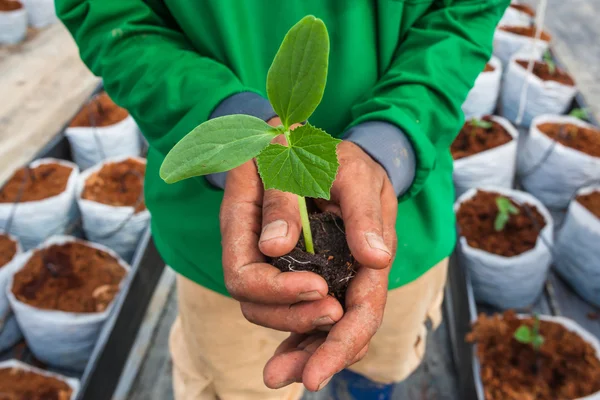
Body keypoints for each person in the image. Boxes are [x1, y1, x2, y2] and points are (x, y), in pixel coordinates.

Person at [57, 1, 509, 399]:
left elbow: (465, 14)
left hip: (403, 221)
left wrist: (393, 142)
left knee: (382, 362)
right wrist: (221, 120)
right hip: (225, 242)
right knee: (241, 384)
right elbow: (107, 16)